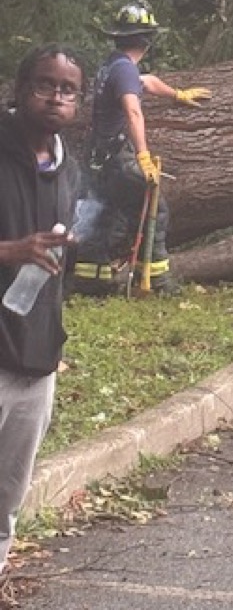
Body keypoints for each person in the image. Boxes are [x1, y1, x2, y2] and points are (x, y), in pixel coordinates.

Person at [0, 43, 85, 578]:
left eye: (68, 89)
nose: (56, 97)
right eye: (44, 84)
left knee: (8, 496)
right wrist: (10, 251)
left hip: (36, 359)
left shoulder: (69, 169)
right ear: (20, 89)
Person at [71, 0, 210, 296]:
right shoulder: (124, 71)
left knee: (103, 212)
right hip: (116, 156)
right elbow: (133, 111)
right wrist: (143, 156)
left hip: (96, 156)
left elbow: (147, 82)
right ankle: (156, 281)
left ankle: (91, 280)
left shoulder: (113, 66)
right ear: (147, 41)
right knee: (153, 211)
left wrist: (178, 95)